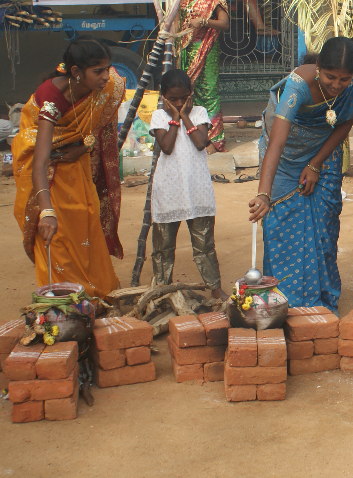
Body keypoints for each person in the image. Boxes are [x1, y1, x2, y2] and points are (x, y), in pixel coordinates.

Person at [249, 37, 353, 311]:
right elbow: (277, 143)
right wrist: (263, 194)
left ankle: (321, 299)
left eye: (344, 79)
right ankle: (286, 301)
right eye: (329, 76)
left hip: (325, 151)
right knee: (282, 225)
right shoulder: (297, 87)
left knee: (324, 227)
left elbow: (344, 124)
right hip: (284, 158)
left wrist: (315, 164)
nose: (336, 85)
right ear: (317, 66)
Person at [12, 36, 125, 299]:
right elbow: (39, 161)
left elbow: (96, 126)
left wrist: (84, 147)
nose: (106, 77)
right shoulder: (50, 99)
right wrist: (46, 211)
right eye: (98, 71)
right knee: (60, 238)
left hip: (77, 168)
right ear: (76, 72)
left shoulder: (104, 88)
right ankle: (66, 301)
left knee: (86, 227)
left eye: (107, 69)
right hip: (48, 175)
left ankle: (98, 294)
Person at [149, 69, 226, 301]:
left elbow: (201, 143)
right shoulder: (159, 116)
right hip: (168, 190)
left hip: (196, 189)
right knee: (163, 247)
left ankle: (214, 287)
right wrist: (175, 117)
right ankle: (162, 290)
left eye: (184, 98)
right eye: (173, 99)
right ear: (163, 97)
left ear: (191, 95)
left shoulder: (200, 112)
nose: (180, 103)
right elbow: (167, 147)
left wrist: (184, 116)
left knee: (204, 244)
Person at [177, 0, 230, 152]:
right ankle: (193, 135)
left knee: (209, 92)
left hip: (207, 49)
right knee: (188, 91)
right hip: (186, 49)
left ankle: (215, 139)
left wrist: (205, 22)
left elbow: (224, 23)